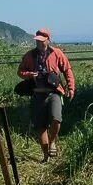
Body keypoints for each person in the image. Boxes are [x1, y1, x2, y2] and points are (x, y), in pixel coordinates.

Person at [17, 28, 75, 162]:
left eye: (42, 41)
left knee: (56, 119)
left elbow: (67, 70)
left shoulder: (57, 53)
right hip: (37, 94)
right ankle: (45, 157)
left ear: (48, 40)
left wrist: (71, 88)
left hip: (54, 93)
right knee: (40, 126)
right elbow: (20, 72)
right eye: (37, 40)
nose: (39, 43)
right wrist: (28, 75)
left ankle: (52, 141)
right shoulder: (29, 55)